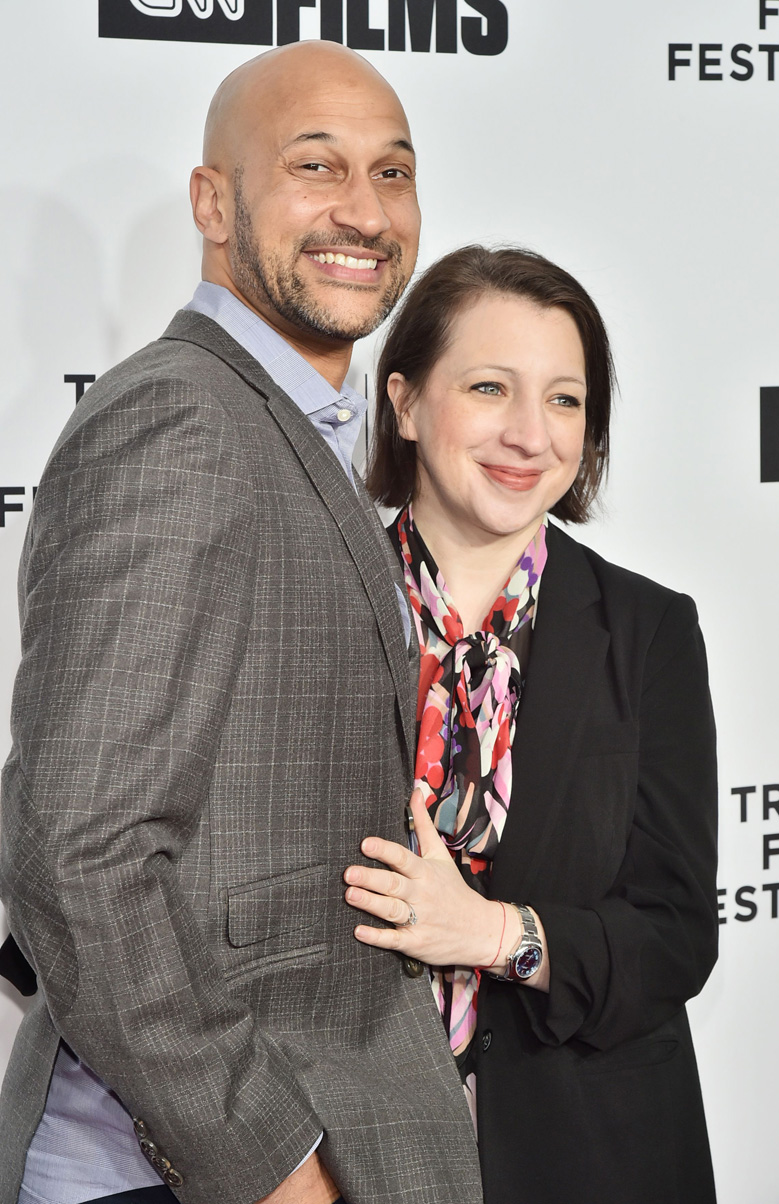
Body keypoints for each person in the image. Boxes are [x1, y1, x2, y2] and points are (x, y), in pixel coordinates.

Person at [0, 44, 481, 1204]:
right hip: (181, 1167)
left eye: (392, 173)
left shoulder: (291, 424)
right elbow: (78, 855)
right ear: (214, 203)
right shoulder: (182, 420)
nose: (362, 211)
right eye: (315, 166)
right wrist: (267, 1166)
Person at [346, 245, 718, 1204]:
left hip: (592, 1154)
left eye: (564, 400)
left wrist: (494, 933)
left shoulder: (647, 630)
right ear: (406, 401)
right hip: (348, 1151)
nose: (528, 433)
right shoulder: (311, 606)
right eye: (487, 387)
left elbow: (674, 935)